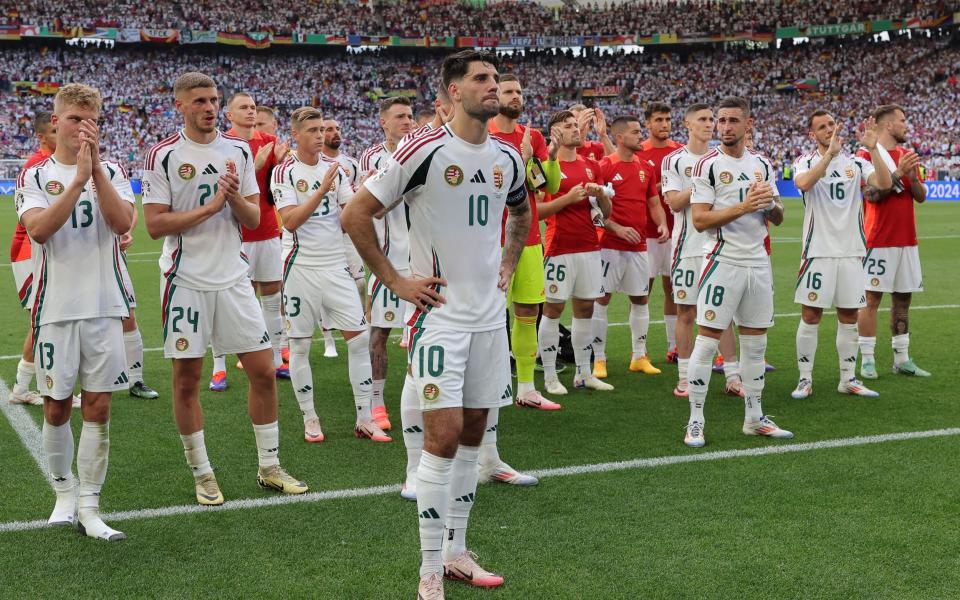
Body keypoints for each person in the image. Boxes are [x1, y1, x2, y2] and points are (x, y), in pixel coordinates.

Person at [343, 49, 530, 599]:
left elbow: (520, 211)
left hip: (489, 319)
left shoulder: (507, 157)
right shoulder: (424, 151)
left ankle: (456, 552)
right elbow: (355, 216)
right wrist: (397, 281)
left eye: (494, 78)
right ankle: (428, 571)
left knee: (474, 433)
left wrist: (510, 261)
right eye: (480, 79)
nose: (492, 87)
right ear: (452, 92)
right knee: (442, 437)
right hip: (440, 320)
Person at [142, 72, 307, 506]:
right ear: (181, 105)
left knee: (263, 371)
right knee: (186, 380)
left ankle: (269, 466)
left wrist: (232, 199)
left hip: (233, 277)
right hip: (185, 281)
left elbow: (253, 219)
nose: (209, 107)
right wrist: (211, 206)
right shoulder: (162, 155)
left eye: (214, 99)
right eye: (199, 100)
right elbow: (155, 225)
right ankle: (203, 472)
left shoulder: (237, 150)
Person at [17, 83, 135, 540]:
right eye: (73, 119)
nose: (82, 128)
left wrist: (97, 173)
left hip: (104, 305)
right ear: (56, 121)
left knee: (100, 407)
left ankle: (90, 505)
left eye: (92, 121)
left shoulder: (116, 171)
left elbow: (124, 223)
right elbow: (41, 232)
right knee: (55, 406)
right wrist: (78, 181)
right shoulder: (35, 176)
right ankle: (64, 493)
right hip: (55, 307)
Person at [683, 97, 792, 448]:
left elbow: (778, 215)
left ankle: (754, 417)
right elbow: (699, 220)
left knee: (756, 345)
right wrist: (744, 205)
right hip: (722, 261)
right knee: (706, 341)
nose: (725, 127)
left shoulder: (762, 163)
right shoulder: (707, 166)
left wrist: (768, 204)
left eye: (733, 121)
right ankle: (695, 420)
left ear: (749, 124)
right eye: (722, 120)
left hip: (758, 263)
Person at [273, 107, 385, 443]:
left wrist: (371, 193)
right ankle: (310, 418)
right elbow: (289, 221)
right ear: (296, 134)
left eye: (322, 129)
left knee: (359, 339)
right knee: (300, 345)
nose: (320, 135)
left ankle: (365, 418)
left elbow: (350, 217)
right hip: (300, 266)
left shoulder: (336, 170)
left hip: (336, 265)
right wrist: (322, 191)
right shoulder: (284, 173)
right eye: (312, 130)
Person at [791, 110, 893, 399]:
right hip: (817, 252)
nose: (828, 130)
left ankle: (848, 378)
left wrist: (873, 149)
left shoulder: (856, 163)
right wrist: (828, 157)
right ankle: (804, 379)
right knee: (811, 315)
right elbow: (803, 184)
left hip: (851, 252)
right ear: (812, 134)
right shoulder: (805, 161)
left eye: (831, 125)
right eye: (821, 127)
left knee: (849, 315)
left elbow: (884, 184)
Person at [488, 73, 562, 411]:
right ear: (495, 95)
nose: (515, 96)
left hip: (529, 239)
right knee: (488, 315)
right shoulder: (483, 133)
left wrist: (537, 156)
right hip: (489, 240)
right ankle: (491, 386)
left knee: (528, 312)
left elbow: (548, 187)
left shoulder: (532, 136)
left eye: (519, 91)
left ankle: (527, 388)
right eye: (508, 91)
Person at [209, 92, 289, 392]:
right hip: (235, 234)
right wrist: (254, 167)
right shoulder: (221, 145)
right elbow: (223, 189)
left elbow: (277, 190)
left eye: (253, 107)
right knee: (226, 302)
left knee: (272, 297)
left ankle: (277, 360)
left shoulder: (271, 141)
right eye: (243, 107)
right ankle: (218, 369)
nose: (250, 111)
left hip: (267, 229)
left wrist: (279, 165)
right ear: (229, 114)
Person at [662, 104, 742, 398]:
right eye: (704, 119)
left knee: (724, 314)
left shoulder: (724, 159)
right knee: (686, 312)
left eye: (713, 119)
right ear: (688, 124)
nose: (710, 124)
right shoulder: (674, 160)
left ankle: (733, 376)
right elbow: (673, 202)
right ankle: (684, 377)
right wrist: (698, 184)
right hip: (687, 249)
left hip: (720, 249)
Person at [537, 110, 613, 395]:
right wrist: (568, 199)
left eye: (575, 125)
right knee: (553, 309)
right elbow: (537, 211)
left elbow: (605, 214)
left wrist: (602, 195)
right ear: (555, 133)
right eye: (568, 126)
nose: (575, 129)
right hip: (559, 248)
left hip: (590, 247)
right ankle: (548, 377)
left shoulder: (592, 166)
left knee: (585, 309)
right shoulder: (545, 166)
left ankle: (583, 373)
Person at [857, 104, 931, 378]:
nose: (906, 125)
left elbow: (921, 196)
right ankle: (867, 360)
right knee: (871, 299)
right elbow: (871, 195)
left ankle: (902, 358)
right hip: (878, 239)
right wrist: (898, 173)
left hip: (907, 240)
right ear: (887, 125)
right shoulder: (866, 155)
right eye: (902, 120)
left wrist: (912, 178)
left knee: (903, 299)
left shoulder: (907, 156)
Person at [592, 115, 669, 378]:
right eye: (636, 133)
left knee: (640, 298)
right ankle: (599, 359)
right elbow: (593, 209)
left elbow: (654, 202)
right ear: (620, 138)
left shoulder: (646, 166)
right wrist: (616, 228)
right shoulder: (604, 166)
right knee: (601, 300)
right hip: (609, 245)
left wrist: (662, 224)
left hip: (638, 248)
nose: (640, 137)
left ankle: (638, 356)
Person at [359, 97, 416, 432]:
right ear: (384, 122)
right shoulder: (373, 157)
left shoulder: (424, 151)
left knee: (424, 332)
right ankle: (377, 403)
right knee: (380, 331)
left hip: (423, 260)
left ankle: (422, 394)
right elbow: (374, 208)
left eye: (409, 115)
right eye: (399, 116)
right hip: (389, 260)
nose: (407, 121)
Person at [9, 111, 68, 406]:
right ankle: (27, 386)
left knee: (46, 317)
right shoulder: (37, 166)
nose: (63, 137)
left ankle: (31, 385)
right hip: (29, 252)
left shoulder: (56, 165)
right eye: (55, 133)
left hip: (40, 252)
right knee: (43, 319)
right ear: (42, 137)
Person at [636, 102, 683, 363]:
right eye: (659, 120)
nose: (664, 124)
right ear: (648, 124)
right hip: (647, 232)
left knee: (674, 289)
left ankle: (673, 346)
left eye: (667, 119)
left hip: (676, 232)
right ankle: (639, 349)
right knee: (643, 290)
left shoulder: (679, 151)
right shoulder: (640, 152)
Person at [321, 117, 366, 300]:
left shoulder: (352, 163)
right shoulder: (316, 163)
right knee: (326, 285)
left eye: (337, 128)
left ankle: (356, 323)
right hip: (325, 232)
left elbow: (356, 195)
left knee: (360, 282)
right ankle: (327, 329)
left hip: (348, 232)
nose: (335, 132)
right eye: (329, 129)